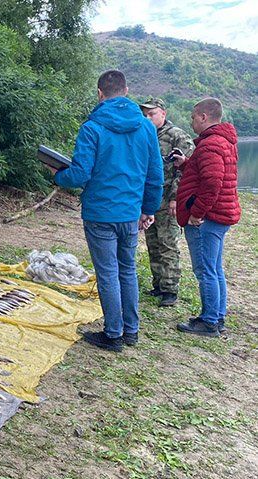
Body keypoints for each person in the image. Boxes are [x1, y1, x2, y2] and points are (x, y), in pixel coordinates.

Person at [47, 70, 163, 352]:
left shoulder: (92, 127)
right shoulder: (146, 127)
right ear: (126, 91)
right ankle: (131, 330)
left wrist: (57, 175)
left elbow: (80, 174)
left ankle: (113, 334)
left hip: (100, 213)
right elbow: (155, 173)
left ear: (100, 93)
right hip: (130, 212)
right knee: (127, 270)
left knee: (108, 273)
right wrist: (149, 208)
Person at [172, 97, 241, 337]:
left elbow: (212, 183)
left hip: (208, 218)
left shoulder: (210, 144)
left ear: (203, 117)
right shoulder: (223, 142)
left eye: (193, 117)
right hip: (219, 215)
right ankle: (217, 316)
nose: (191, 122)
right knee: (214, 268)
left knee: (205, 270)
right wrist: (186, 164)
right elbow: (206, 172)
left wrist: (196, 213)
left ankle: (209, 321)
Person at [139, 98, 195, 307]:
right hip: (150, 200)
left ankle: (170, 289)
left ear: (163, 113)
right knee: (153, 243)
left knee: (168, 245)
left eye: (152, 113)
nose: (148, 118)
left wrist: (175, 198)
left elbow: (186, 170)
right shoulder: (145, 134)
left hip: (167, 199)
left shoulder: (177, 136)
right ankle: (158, 285)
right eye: (145, 114)